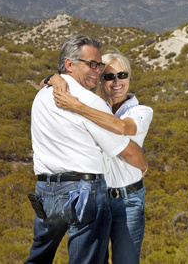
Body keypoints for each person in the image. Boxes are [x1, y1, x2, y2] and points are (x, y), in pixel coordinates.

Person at [25, 35, 147, 264]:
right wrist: (144, 165)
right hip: (82, 191)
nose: (96, 70)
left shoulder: (40, 96)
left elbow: (45, 83)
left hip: (45, 190)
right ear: (69, 64)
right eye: (91, 64)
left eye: (98, 65)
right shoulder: (90, 103)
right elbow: (124, 146)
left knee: (38, 256)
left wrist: (52, 78)